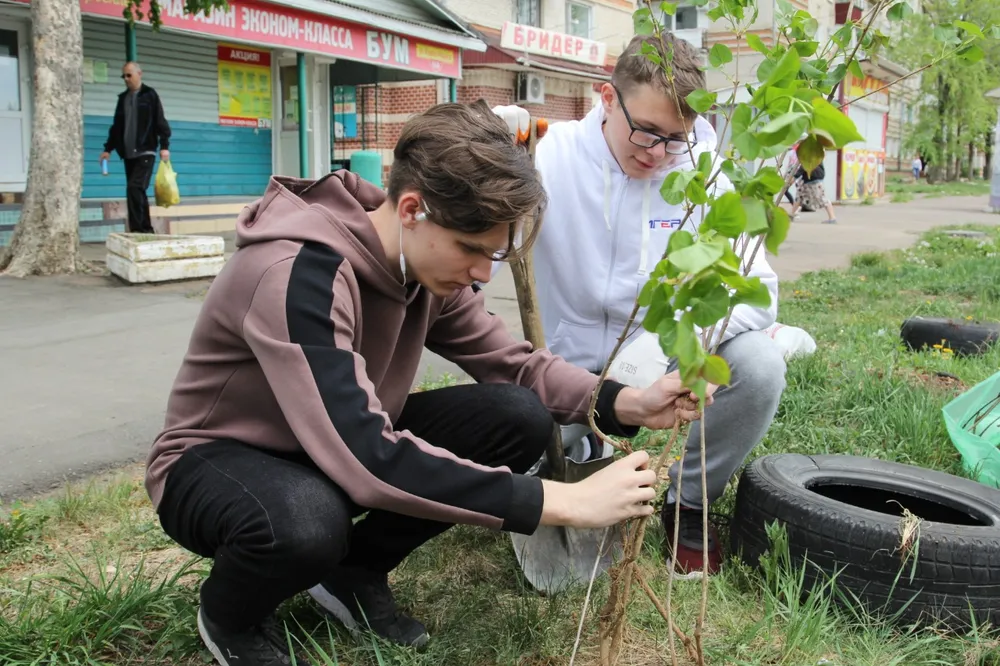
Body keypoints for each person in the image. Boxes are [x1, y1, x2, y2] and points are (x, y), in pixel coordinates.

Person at [145, 100, 713, 666]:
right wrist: (558, 500)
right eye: (472, 249)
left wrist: (627, 402)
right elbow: (367, 457)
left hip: (335, 447)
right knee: (306, 520)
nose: (482, 273)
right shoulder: (297, 275)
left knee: (517, 417)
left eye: (493, 252)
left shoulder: (422, 269)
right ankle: (230, 616)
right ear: (413, 209)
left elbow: (513, 363)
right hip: (217, 458)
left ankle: (353, 572)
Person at [501, 33, 788, 579]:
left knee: (758, 365)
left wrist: (673, 346)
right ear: (606, 98)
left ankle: (689, 502)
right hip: (564, 368)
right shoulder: (547, 157)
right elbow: (471, 270)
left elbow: (758, 293)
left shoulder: (701, 174)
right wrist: (485, 156)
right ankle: (562, 468)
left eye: (675, 138)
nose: (656, 153)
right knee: (511, 443)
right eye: (646, 131)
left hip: (661, 358)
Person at [99, 61, 171, 234]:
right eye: (123, 76)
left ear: (140, 74)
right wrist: (108, 149)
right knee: (136, 191)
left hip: (146, 151)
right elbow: (116, 127)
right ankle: (144, 229)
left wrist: (164, 145)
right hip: (128, 154)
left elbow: (160, 121)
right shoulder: (122, 99)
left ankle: (140, 230)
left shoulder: (150, 95)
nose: (126, 79)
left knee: (135, 187)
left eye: (129, 75)